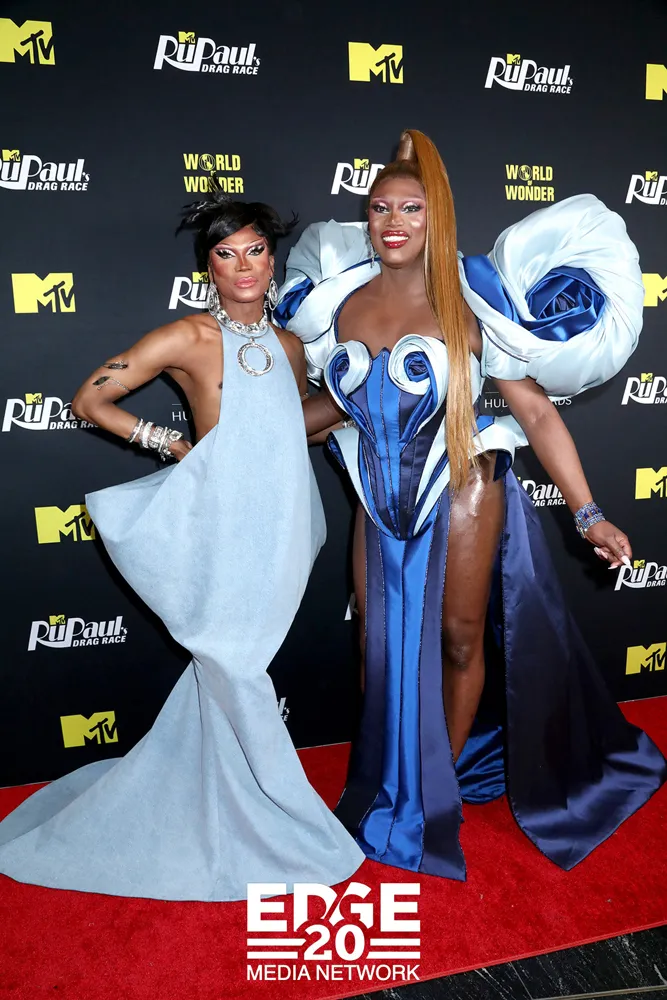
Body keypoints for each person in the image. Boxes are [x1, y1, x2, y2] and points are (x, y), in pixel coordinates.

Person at [274, 129, 667, 880]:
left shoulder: (469, 302)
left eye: (411, 208)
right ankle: (391, 774)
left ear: (437, 215)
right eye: (380, 207)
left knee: (458, 640)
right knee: (377, 646)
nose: (393, 221)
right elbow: (331, 407)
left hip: (463, 487)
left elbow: (537, 411)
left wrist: (588, 513)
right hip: (376, 500)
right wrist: (242, 442)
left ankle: (437, 782)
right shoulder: (338, 305)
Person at [0, 187, 365, 900]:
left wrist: (358, 406)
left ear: (272, 259)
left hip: (279, 521)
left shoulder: (292, 346)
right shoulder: (187, 338)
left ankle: (221, 790)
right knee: (235, 665)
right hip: (217, 520)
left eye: (255, 251)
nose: (244, 266)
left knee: (235, 666)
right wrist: (167, 442)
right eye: (227, 255)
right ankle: (283, 817)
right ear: (209, 268)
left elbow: (291, 426)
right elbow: (89, 401)